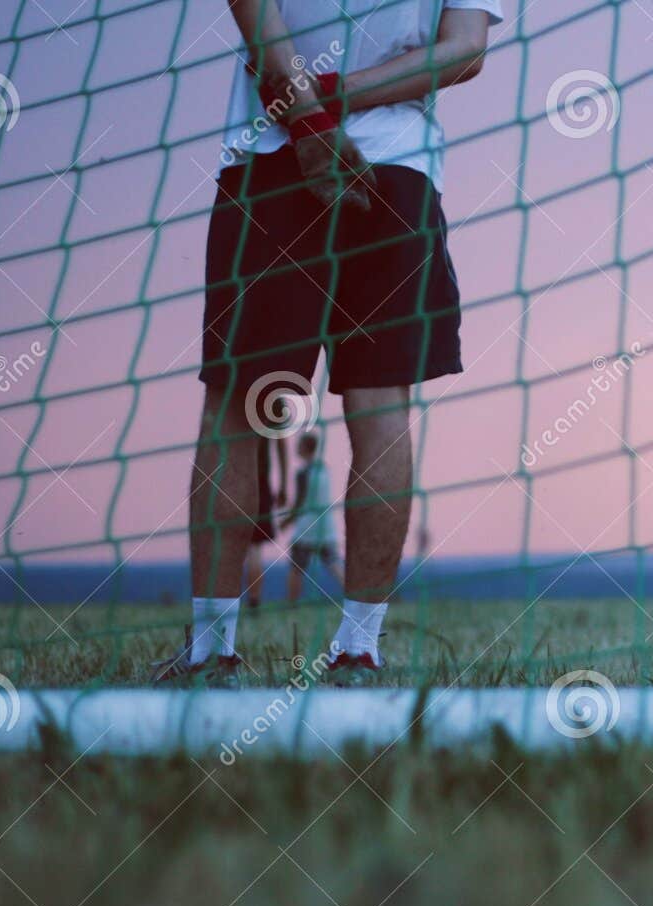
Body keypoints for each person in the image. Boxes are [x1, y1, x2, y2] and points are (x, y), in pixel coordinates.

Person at [153, 0, 501, 687]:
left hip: (275, 152)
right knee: (380, 405)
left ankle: (212, 656)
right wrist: (328, 106)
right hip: (394, 164)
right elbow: (462, 50)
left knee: (239, 409)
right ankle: (357, 652)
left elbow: (259, 20)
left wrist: (311, 112)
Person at [283, 431, 343, 606]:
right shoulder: (324, 469)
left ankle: (291, 604)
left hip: (306, 526)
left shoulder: (302, 473)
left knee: (296, 569)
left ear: (304, 448)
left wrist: (284, 523)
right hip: (326, 525)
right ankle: (353, 598)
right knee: (334, 565)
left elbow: (299, 503)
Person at [241, 436, 288, 610]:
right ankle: (254, 598)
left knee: (239, 547)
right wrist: (284, 484)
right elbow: (281, 442)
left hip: (233, 480)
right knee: (254, 547)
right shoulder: (271, 410)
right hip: (260, 482)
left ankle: (225, 603)